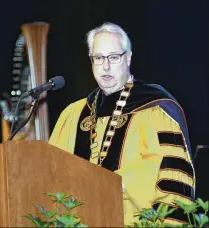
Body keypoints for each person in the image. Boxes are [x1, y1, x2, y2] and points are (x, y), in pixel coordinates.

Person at [49, 22, 195, 226]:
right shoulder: (73, 114)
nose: (106, 66)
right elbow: (51, 173)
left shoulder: (154, 110)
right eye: (99, 58)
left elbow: (168, 177)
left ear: (128, 58)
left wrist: (112, 182)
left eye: (114, 57)